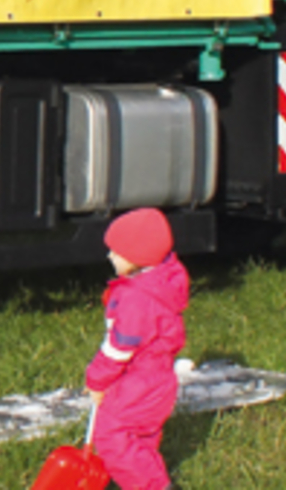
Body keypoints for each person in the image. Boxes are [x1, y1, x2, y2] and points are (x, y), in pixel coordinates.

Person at [85, 207, 190, 490]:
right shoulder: (158, 283)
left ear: (136, 258)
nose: (110, 257)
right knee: (139, 441)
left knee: (112, 437)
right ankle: (153, 482)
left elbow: (119, 348)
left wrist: (96, 380)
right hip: (156, 379)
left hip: (139, 381)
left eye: (116, 252)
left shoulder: (137, 300)